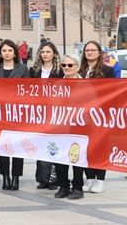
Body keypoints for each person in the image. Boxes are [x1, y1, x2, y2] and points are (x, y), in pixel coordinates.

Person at [0, 39, 30, 190]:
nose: (7, 53)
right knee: (3, 146)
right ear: (0, 53)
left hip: (18, 112)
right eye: (4, 51)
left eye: (9, 50)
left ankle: (16, 177)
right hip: (1, 112)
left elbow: (28, 90)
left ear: (14, 52)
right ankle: (5, 176)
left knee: (18, 146)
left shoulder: (23, 69)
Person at [79, 40, 116, 194]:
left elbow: (113, 92)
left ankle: (100, 179)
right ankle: (89, 178)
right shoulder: (79, 70)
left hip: (100, 115)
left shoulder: (107, 71)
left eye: (93, 50)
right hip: (82, 116)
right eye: (87, 50)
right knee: (85, 147)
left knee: (100, 147)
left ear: (99, 53)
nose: (90, 52)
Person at [31, 42, 64, 189]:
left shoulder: (60, 71)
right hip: (39, 112)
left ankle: (53, 179)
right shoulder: (34, 71)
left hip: (55, 111)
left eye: (48, 52)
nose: (45, 54)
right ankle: (42, 178)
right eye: (43, 52)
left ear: (54, 54)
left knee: (54, 145)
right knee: (40, 145)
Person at [53, 57, 86, 201]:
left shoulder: (86, 84)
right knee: (60, 158)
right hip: (60, 127)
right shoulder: (57, 85)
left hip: (79, 126)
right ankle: (63, 186)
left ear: (77, 67)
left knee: (77, 158)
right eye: (64, 65)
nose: (66, 67)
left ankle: (78, 187)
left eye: (70, 65)